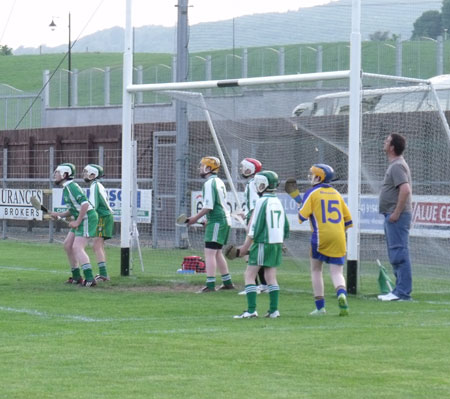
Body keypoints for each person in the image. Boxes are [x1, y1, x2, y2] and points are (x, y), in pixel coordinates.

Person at [231, 171, 290, 319]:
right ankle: (274, 310)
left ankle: (251, 311)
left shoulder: (261, 201)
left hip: (263, 242)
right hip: (275, 243)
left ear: (263, 185)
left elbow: (254, 227)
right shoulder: (278, 201)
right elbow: (286, 226)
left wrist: (245, 247)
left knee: (249, 275)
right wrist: (281, 241)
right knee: (271, 276)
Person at [298, 164, 352, 316]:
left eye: (313, 174)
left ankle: (320, 307)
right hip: (340, 236)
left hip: (321, 236)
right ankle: (341, 294)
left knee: (316, 270)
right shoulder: (336, 193)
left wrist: (299, 203)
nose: (310, 177)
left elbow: (301, 216)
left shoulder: (312, 192)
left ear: (319, 177)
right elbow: (348, 220)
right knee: (337, 272)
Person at [186, 156, 235, 293]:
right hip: (223, 219)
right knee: (217, 252)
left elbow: (208, 206)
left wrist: (195, 218)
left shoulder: (209, 183)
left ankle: (210, 285)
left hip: (218, 220)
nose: (200, 168)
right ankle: (227, 282)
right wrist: (207, 220)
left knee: (209, 252)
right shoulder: (218, 181)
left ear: (208, 168)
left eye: (202, 166)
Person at [50, 163, 99, 287]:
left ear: (65, 174)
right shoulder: (66, 188)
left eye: (57, 172)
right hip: (82, 217)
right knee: (68, 245)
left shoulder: (72, 187)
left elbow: (85, 205)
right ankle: (77, 277)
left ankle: (89, 279)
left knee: (77, 247)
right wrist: (60, 215)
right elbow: (73, 209)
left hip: (88, 218)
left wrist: (77, 221)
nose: (55, 175)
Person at [377, 133, 413, 301]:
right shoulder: (394, 165)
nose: (384, 143)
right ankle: (399, 290)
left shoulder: (397, 166)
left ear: (392, 147)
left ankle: (402, 292)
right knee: (395, 253)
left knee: (399, 253)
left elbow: (405, 189)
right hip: (392, 215)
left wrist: (396, 213)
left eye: (387, 141)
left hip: (396, 216)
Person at [237, 157, 269, 295]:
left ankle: (254, 285)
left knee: (250, 253)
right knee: (256, 253)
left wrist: (251, 219)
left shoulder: (252, 184)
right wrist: (245, 213)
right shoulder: (255, 182)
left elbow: (256, 205)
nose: (241, 169)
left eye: (243, 167)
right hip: (254, 217)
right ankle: (264, 284)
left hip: (255, 219)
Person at [83, 164, 114, 282]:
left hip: (102, 217)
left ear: (93, 175)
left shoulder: (95, 186)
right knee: (98, 245)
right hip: (103, 216)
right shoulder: (96, 185)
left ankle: (104, 275)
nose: (84, 175)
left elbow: (93, 205)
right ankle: (103, 274)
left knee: (97, 245)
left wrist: (84, 217)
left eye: (87, 172)